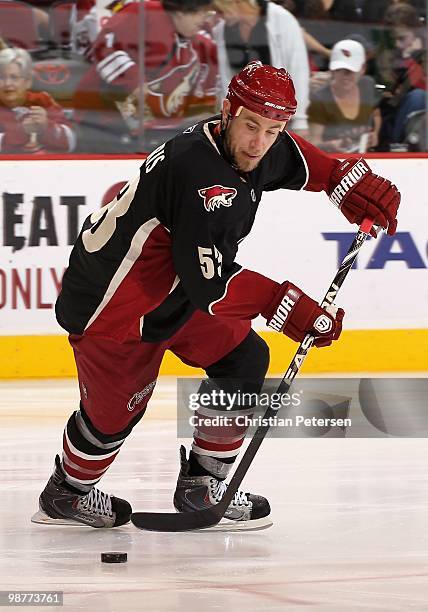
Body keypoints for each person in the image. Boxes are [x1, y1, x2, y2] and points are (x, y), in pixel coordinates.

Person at [31, 61, 400, 529]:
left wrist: (347, 180)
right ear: (226, 112)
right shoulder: (198, 173)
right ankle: (66, 492)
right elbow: (212, 286)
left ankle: (203, 483)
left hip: (177, 290)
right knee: (112, 420)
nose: (259, 143)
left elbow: (306, 162)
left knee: (243, 360)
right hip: (116, 305)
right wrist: (283, 303)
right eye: (251, 125)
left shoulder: (257, 144)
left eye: (273, 129)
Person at [72, 0, 218, 153]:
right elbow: (103, 47)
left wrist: (201, 116)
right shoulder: (144, 13)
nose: (204, 19)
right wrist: (134, 81)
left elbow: (204, 103)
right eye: (200, 12)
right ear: (181, 10)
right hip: (103, 120)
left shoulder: (203, 44)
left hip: (159, 133)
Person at [212, 0, 310, 133]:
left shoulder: (281, 19)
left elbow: (298, 69)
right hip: (244, 116)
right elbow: (226, 77)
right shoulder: (221, 28)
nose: (218, 17)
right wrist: (227, 116)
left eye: (221, 11)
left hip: (280, 115)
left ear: (237, 2)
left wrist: (300, 121)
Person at [308, 39, 381, 152]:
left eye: (350, 71)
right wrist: (329, 146)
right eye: (339, 70)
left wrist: (374, 133)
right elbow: (311, 143)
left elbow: (376, 115)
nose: (344, 76)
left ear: (363, 69)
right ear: (332, 70)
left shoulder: (368, 86)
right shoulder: (320, 99)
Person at [0, 47, 75, 153]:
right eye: (1, 77)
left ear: (28, 81)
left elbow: (71, 143)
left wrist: (46, 127)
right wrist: (21, 132)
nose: (7, 83)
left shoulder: (43, 100)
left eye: (14, 77)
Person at [376, 2, 426, 147]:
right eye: (393, 39)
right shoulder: (384, 52)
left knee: (420, 96)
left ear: (415, 30)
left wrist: (417, 58)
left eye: (402, 38)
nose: (397, 44)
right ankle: (399, 147)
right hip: (394, 113)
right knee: (418, 97)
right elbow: (386, 87)